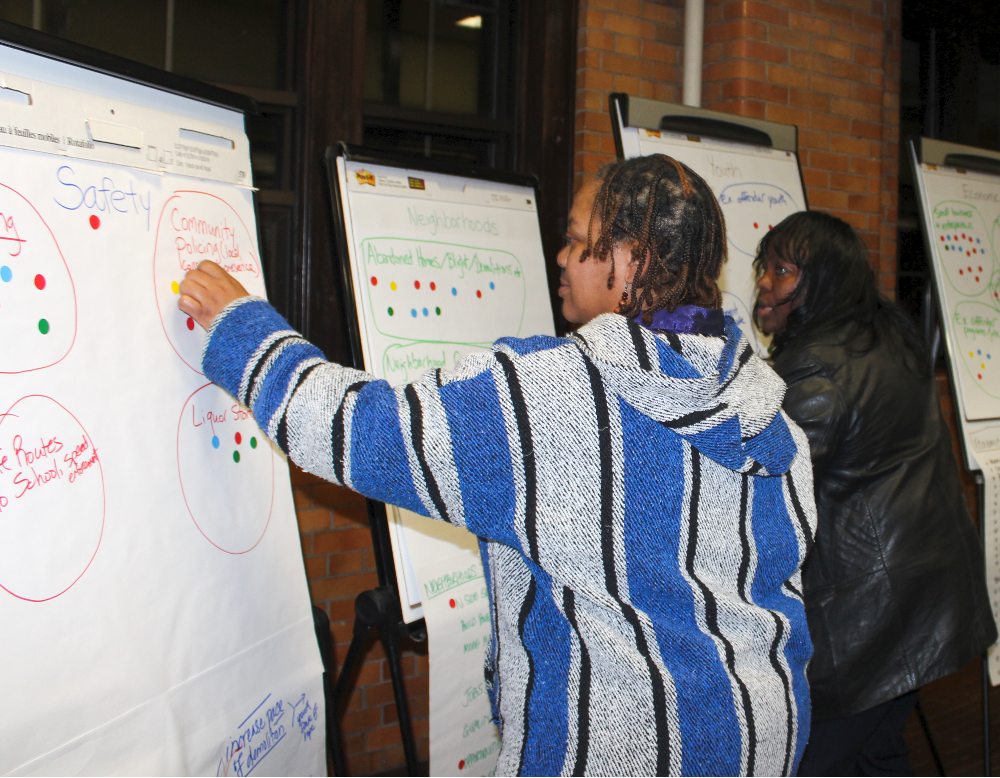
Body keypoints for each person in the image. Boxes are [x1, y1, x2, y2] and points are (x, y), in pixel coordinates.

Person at [180, 154, 818, 776]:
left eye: (575, 242)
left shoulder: (550, 400)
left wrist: (246, 333)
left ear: (632, 260)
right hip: (761, 732)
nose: (561, 258)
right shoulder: (772, 416)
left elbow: (359, 432)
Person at [753, 210, 997, 776]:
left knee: (809, 762)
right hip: (929, 598)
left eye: (783, 271)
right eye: (765, 268)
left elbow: (767, 491)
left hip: (871, 626)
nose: (765, 283)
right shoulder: (886, 334)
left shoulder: (816, 369)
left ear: (823, 282)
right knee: (878, 756)